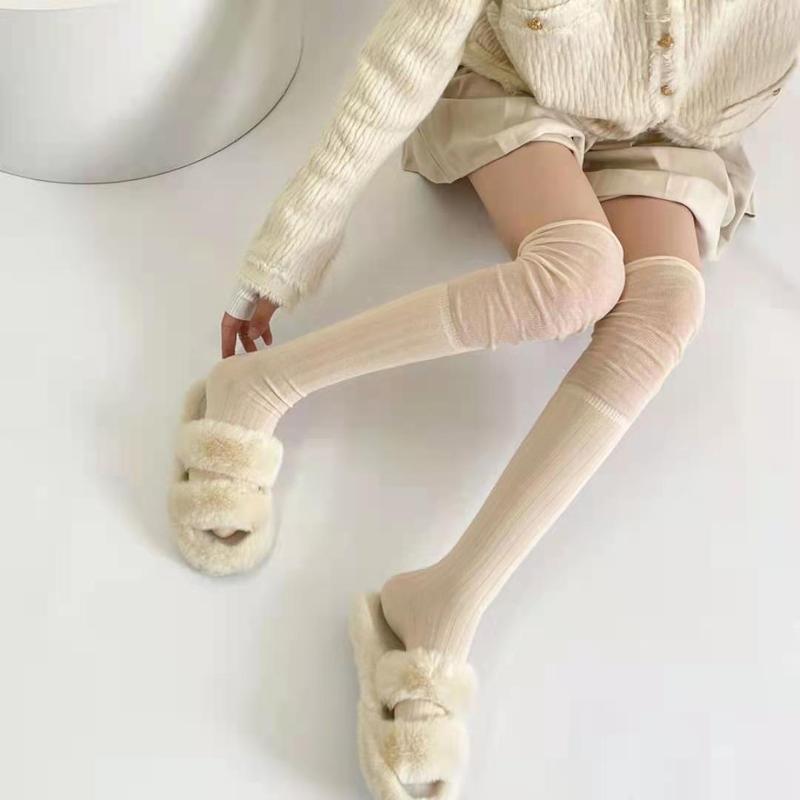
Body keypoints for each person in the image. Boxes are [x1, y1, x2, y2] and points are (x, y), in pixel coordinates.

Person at [168, 2, 800, 797]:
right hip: (517, 92)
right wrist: (287, 250)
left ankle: (439, 604)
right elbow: (402, 61)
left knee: (669, 306)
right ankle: (260, 382)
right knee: (577, 277)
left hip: (678, 132)